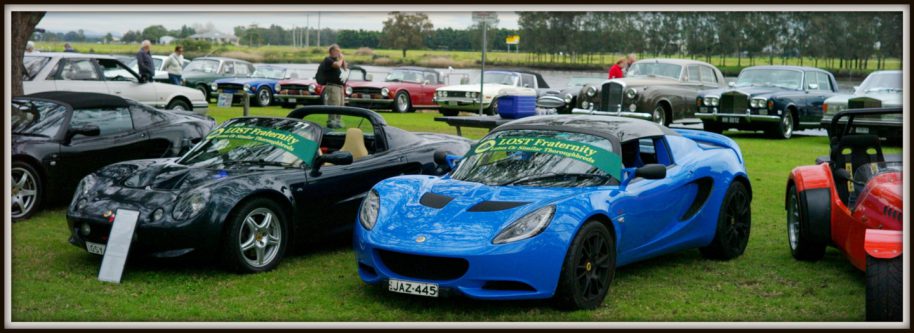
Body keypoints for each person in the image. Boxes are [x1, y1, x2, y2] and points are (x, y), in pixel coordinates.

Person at [317, 44, 348, 128]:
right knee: (334, 104)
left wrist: (342, 59)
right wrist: (341, 59)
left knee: (341, 105)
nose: (339, 53)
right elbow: (336, 65)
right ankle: (331, 122)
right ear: (332, 51)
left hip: (340, 86)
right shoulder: (328, 60)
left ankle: (338, 123)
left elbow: (344, 69)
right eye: (337, 51)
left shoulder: (338, 60)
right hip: (332, 86)